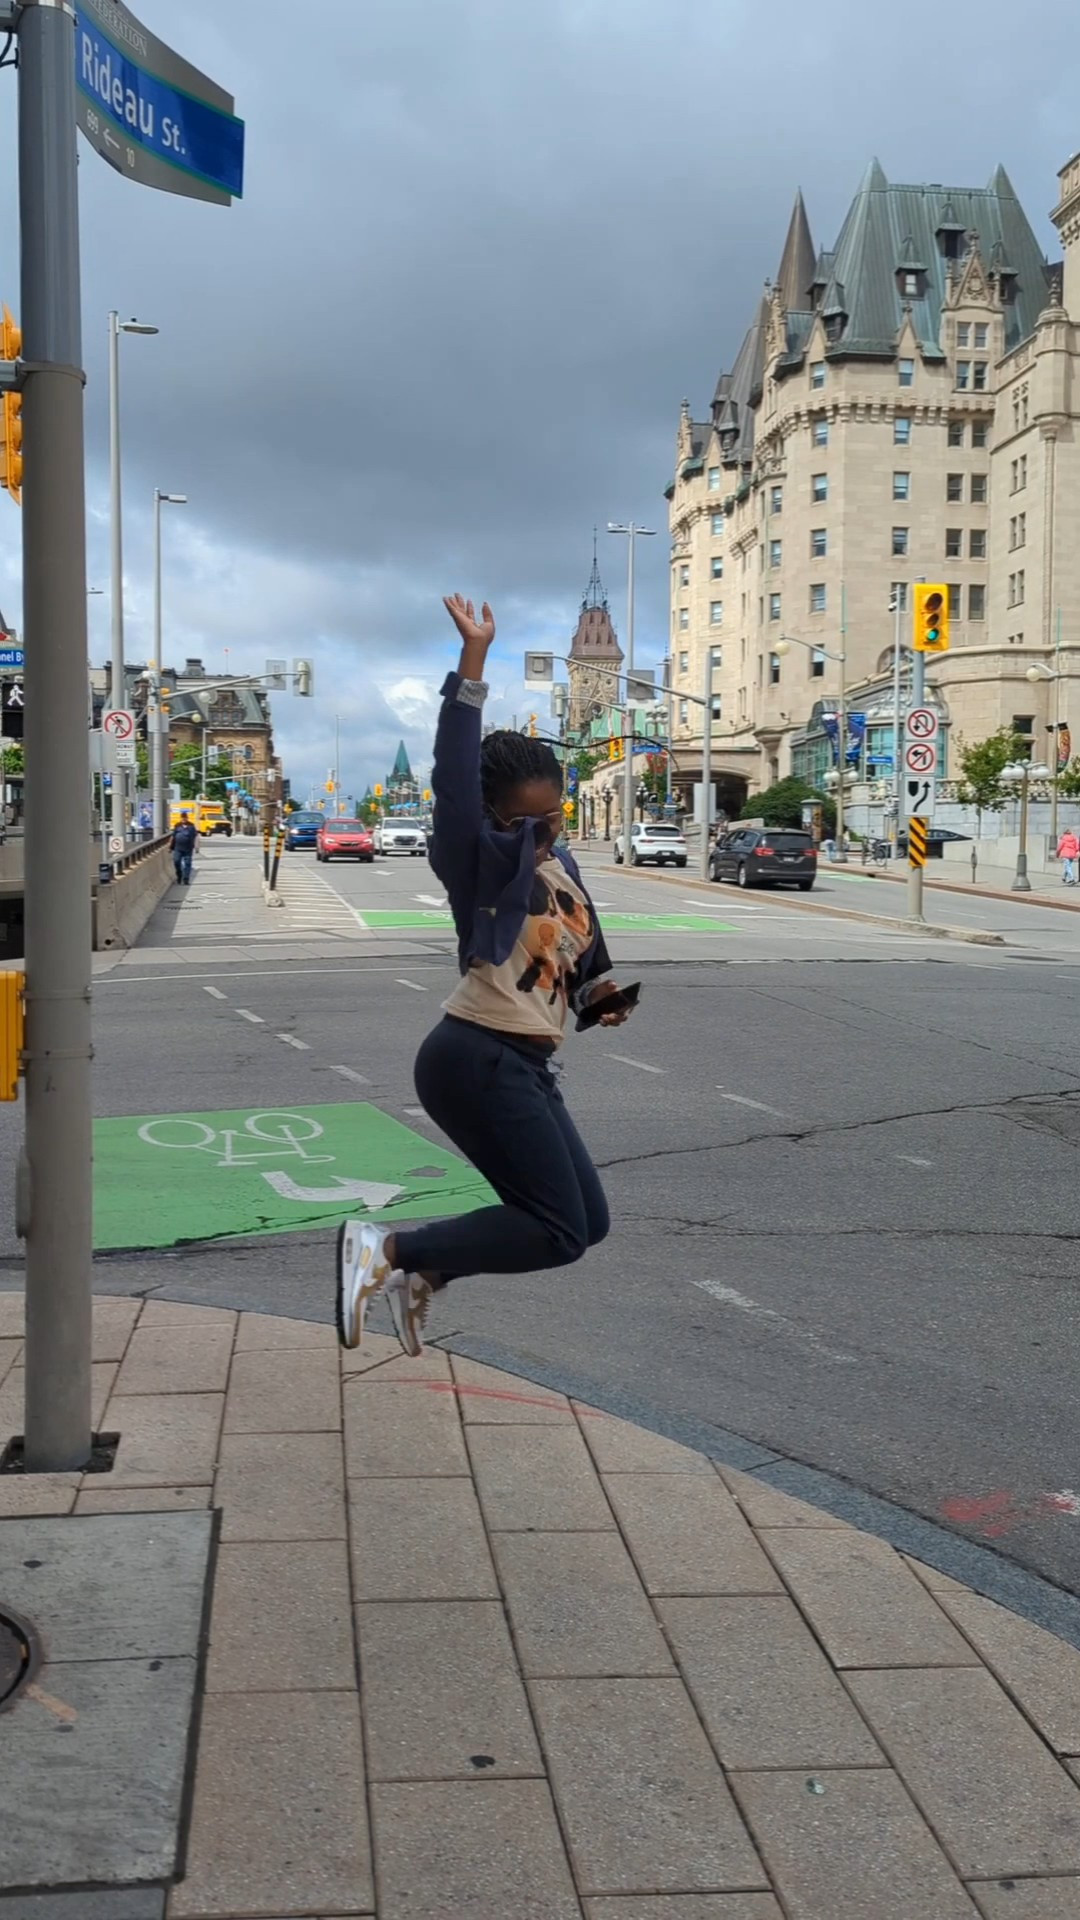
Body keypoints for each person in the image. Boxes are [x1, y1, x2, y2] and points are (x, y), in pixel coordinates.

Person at [336, 592, 634, 1357]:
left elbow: (580, 963)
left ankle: (426, 1273)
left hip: (528, 1064)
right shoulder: (475, 860)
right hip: (475, 1056)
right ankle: (391, 1252)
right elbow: (453, 768)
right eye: (521, 823)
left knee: (586, 1224)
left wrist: (598, 997)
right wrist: (474, 663)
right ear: (491, 819)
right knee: (558, 1229)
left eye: (554, 818)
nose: (540, 834)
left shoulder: (559, 864)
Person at [170, 811, 197, 885]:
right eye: (182, 817)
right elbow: (173, 837)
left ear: (187, 818)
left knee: (187, 863)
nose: (184, 819)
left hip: (188, 848)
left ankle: (186, 878)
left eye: (185, 817)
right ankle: (179, 875)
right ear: (181, 818)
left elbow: (195, 837)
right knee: (176, 861)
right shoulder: (177, 826)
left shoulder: (191, 826)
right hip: (178, 848)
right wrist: (170, 847)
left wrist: (196, 846)